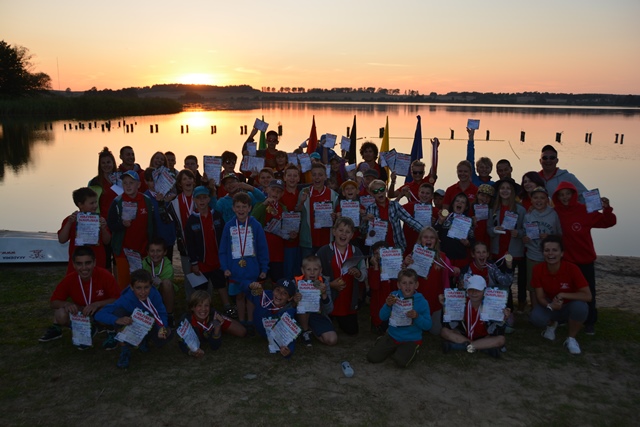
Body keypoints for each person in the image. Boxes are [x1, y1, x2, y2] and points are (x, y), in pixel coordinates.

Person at [552, 182, 616, 334]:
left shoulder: (585, 209)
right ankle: (564, 317)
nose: (565, 197)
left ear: (574, 195)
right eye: (561, 195)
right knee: (565, 290)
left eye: (568, 194)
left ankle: (589, 321)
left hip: (585, 259)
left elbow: (608, 222)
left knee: (588, 292)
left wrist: (607, 209)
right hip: (566, 260)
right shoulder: (555, 212)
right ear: (557, 197)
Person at [38, 247, 120, 349]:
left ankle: (111, 331)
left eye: (88, 263)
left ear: (94, 262)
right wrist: (66, 304)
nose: (84, 268)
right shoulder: (70, 279)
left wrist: (97, 304)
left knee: (103, 313)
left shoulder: (105, 275)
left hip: (100, 310)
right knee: (60, 314)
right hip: (82, 312)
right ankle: (84, 329)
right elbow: (53, 302)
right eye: (79, 264)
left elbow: (118, 299)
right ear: (74, 265)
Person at [95, 269, 172, 368]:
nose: (143, 292)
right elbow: (99, 314)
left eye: (146, 287)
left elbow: (161, 313)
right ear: (131, 287)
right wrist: (116, 320)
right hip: (131, 324)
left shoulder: (154, 294)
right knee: (118, 313)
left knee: (167, 333)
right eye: (138, 288)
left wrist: (162, 327)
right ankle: (125, 350)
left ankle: (144, 339)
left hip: (148, 324)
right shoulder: (126, 298)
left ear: (151, 286)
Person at [529, 235, 592, 355]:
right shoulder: (537, 269)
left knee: (581, 307)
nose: (550, 254)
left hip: (569, 305)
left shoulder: (572, 268)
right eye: (547, 250)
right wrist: (550, 305)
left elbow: (588, 296)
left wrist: (563, 295)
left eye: (555, 250)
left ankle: (571, 338)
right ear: (543, 253)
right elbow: (540, 297)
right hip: (551, 304)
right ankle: (552, 324)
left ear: (562, 253)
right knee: (535, 318)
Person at [220, 192, 270, 331]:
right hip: (235, 270)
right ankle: (242, 321)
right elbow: (223, 250)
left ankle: (251, 321)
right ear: (233, 208)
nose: (241, 210)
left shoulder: (256, 226)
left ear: (249, 208)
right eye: (238, 207)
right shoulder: (229, 226)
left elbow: (263, 248)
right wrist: (225, 267)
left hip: (252, 270)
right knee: (239, 296)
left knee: (251, 296)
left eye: (244, 207)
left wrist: (264, 268)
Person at [185, 186, 235, 317]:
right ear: (194, 200)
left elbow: (225, 237)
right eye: (198, 198)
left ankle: (228, 308)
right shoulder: (192, 220)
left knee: (221, 285)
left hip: (218, 260)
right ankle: (201, 311)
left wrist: (226, 257)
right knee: (201, 289)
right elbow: (190, 244)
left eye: (204, 197)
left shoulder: (216, 215)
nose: (202, 201)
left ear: (209, 199)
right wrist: (194, 263)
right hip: (201, 262)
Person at [366, 268, 432, 368]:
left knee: (401, 362)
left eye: (411, 283)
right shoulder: (393, 296)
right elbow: (382, 317)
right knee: (372, 357)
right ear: (398, 285)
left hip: (411, 340)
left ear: (416, 285)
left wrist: (417, 317)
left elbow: (428, 325)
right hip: (392, 336)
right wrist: (387, 305)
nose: (407, 286)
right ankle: (384, 342)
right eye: (404, 283)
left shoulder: (422, 302)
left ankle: (413, 349)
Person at [317, 217, 368, 335]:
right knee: (327, 327)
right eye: (340, 230)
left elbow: (364, 274)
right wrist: (330, 284)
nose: (344, 234)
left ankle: (341, 319)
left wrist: (358, 273)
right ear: (334, 231)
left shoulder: (356, 252)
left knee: (352, 332)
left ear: (352, 235)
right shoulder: (323, 251)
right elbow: (314, 277)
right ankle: (329, 317)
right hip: (330, 300)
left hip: (348, 302)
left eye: (348, 232)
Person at [402, 226, 456, 335]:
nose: (428, 239)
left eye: (432, 237)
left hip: (435, 299)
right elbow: (403, 277)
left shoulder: (442, 257)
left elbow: (450, 273)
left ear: (436, 241)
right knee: (413, 328)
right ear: (420, 239)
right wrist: (405, 264)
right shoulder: (412, 256)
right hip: (417, 299)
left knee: (435, 331)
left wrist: (455, 270)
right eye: (425, 237)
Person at [107, 170, 155, 289]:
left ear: (138, 185)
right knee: (124, 284)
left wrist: (151, 246)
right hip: (123, 251)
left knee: (142, 284)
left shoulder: (146, 200)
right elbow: (111, 225)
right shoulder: (117, 202)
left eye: (131, 183)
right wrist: (122, 224)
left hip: (142, 251)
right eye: (125, 183)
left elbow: (152, 225)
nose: (128, 186)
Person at [441, 275, 508, 358]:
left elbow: (498, 330)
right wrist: (445, 307)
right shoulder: (460, 302)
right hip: (464, 336)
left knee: (501, 339)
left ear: (484, 291)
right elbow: (450, 324)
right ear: (467, 290)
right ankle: (482, 348)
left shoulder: (492, 304)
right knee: (444, 331)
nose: (474, 293)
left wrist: (503, 318)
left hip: (484, 337)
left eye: (478, 290)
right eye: (471, 290)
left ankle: (460, 346)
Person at [487, 177, 526, 311]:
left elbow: (526, 230)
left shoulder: (520, 210)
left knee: (508, 282)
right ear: (498, 191)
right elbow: (488, 228)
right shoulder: (493, 209)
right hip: (497, 251)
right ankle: (500, 309)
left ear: (513, 191)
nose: (505, 191)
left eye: (508, 188)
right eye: (502, 188)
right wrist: (494, 230)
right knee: (499, 282)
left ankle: (509, 311)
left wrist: (518, 232)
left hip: (513, 251)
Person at [522, 186, 561, 310]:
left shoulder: (553, 214)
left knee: (550, 284)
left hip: (549, 257)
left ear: (547, 200)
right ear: (531, 200)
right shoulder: (528, 216)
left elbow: (560, 234)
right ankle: (535, 309)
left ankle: (553, 308)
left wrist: (549, 237)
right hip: (532, 255)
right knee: (533, 285)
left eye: (542, 198)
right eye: (535, 198)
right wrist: (525, 238)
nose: (539, 201)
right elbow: (524, 234)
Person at [58, 187, 111, 274]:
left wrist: (103, 228)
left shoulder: (100, 219)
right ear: (80, 205)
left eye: (96, 202)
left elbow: (107, 241)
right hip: (77, 264)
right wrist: (69, 223)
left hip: (98, 262)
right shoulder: (71, 220)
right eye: (91, 203)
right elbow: (62, 239)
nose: (95, 205)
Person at [177, 290, 246, 357]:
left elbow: (214, 346)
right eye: (199, 305)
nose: (203, 309)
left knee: (242, 332)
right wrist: (190, 352)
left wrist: (217, 329)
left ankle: (224, 318)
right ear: (192, 307)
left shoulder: (213, 317)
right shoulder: (185, 321)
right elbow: (182, 342)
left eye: (206, 305)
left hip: (216, 319)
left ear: (210, 307)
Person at [252, 179, 295, 282]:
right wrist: (264, 204)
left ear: (282, 194)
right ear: (267, 190)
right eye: (273, 190)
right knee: (259, 283)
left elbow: (287, 231)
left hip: (277, 254)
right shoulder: (260, 205)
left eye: (279, 191)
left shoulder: (283, 208)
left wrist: (291, 236)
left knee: (277, 282)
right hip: (261, 253)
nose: (275, 193)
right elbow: (252, 219)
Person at [363, 179, 423, 253]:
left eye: (381, 189)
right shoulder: (370, 209)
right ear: (372, 194)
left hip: (396, 248)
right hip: (378, 251)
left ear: (386, 190)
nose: (379, 192)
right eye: (375, 191)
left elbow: (409, 220)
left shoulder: (395, 205)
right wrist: (365, 220)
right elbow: (363, 231)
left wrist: (425, 231)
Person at [296, 163, 339, 258]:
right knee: (308, 266)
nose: (317, 177)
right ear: (311, 176)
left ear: (325, 176)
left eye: (320, 175)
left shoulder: (333, 195)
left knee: (326, 267)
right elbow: (297, 213)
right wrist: (301, 202)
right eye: (314, 174)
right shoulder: (304, 192)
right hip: (308, 241)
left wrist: (335, 216)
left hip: (326, 240)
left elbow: (338, 217)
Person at [293, 255, 337, 347]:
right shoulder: (295, 283)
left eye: (315, 269)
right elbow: (284, 306)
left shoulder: (324, 282)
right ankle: (305, 331)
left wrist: (324, 294)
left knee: (332, 340)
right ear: (303, 270)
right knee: (303, 304)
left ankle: (311, 328)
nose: (312, 272)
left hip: (318, 315)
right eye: (308, 269)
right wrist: (294, 300)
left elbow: (330, 310)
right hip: (299, 315)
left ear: (320, 270)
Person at [248, 279, 298, 358]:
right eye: (277, 290)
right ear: (273, 290)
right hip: (259, 329)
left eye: (285, 293)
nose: (279, 294)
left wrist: (289, 350)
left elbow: (290, 332)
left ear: (290, 298)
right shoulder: (265, 296)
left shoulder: (288, 312)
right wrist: (250, 286)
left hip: (272, 336)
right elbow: (246, 291)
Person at [143, 168, 177, 261]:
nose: (154, 183)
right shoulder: (144, 198)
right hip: (153, 241)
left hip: (168, 238)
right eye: (151, 181)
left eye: (157, 180)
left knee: (167, 265)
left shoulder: (169, 195)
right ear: (146, 181)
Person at [142, 237, 176, 327]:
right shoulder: (143, 263)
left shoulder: (168, 267)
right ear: (147, 252)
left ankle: (169, 315)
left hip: (161, 293)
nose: (155, 254)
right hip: (146, 291)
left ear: (165, 252)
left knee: (167, 283)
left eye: (159, 251)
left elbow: (165, 287)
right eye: (152, 251)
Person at [435, 192, 474, 269]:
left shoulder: (469, 221)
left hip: (460, 258)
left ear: (466, 207)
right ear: (453, 204)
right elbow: (434, 233)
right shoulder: (445, 217)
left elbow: (473, 240)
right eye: (457, 201)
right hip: (445, 257)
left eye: (463, 202)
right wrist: (440, 222)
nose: (459, 203)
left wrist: (468, 243)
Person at [280, 164, 303, 279]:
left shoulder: (303, 194)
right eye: (289, 175)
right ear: (284, 177)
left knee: (300, 274)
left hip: (301, 241)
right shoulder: (280, 194)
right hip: (285, 242)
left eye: (295, 175)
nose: (292, 178)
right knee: (287, 275)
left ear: (299, 178)